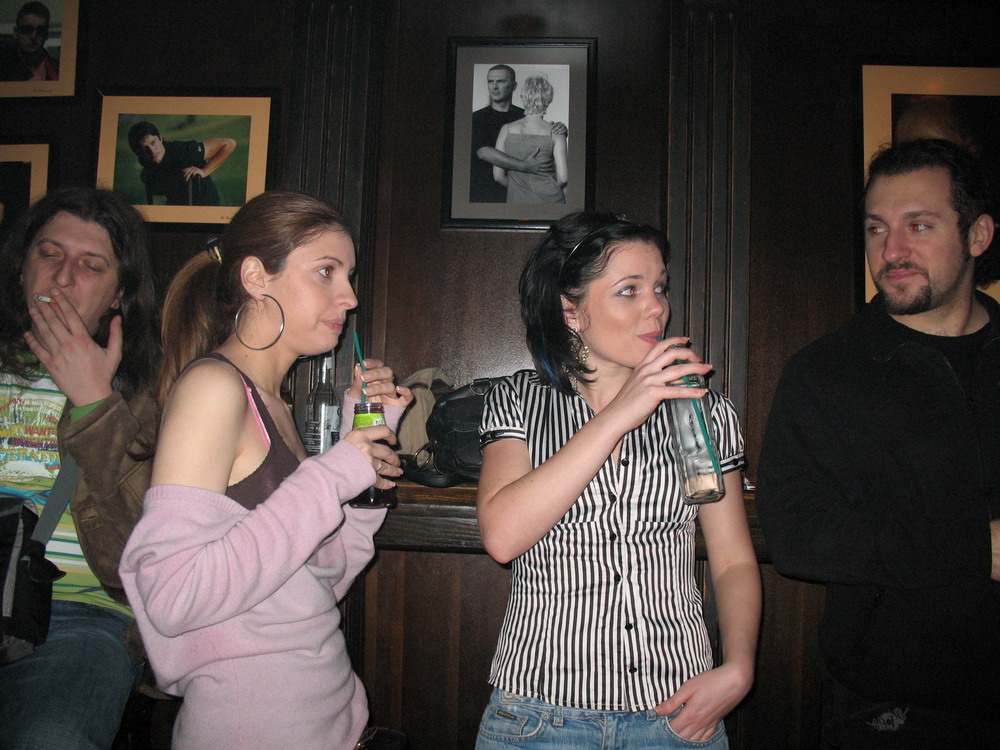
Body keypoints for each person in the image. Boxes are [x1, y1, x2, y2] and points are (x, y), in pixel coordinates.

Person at [120, 191, 413, 750]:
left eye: (349, 275)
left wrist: (364, 469)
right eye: (326, 271)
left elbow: (313, 584)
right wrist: (333, 474)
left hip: (324, 718)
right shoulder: (213, 388)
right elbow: (172, 598)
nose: (349, 297)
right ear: (256, 277)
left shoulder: (273, 404)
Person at [475, 212, 760, 748]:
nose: (657, 307)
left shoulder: (702, 411)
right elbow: (503, 536)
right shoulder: (518, 399)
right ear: (571, 310)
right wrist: (617, 415)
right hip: (540, 716)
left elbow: (733, 561)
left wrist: (740, 667)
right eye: (629, 290)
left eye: (660, 287)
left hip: (677, 713)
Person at [756, 138, 1000, 748]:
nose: (891, 251)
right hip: (894, 711)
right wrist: (975, 548)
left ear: (978, 235)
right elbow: (797, 536)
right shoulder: (825, 373)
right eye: (876, 229)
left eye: (919, 225)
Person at [0, 187, 161, 749]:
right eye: (49, 254)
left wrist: (95, 403)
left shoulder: (152, 393)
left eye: (91, 266)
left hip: (80, 616)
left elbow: (154, 545)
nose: (63, 277)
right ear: (22, 267)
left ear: (119, 295)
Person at [470, 64, 564, 203]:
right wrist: (523, 165)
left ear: (514, 86)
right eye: (490, 81)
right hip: (485, 193)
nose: (494, 87)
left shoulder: (525, 116)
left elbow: (545, 149)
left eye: (500, 81)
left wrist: (558, 129)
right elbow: (483, 152)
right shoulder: (476, 118)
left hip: (520, 195)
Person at [492, 74, 568, 204]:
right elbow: (563, 178)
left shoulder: (506, 129)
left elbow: (498, 176)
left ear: (522, 98)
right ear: (549, 99)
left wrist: (521, 190)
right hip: (551, 201)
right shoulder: (556, 132)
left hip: (517, 201)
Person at [126, 121, 236, 206]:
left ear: (160, 138)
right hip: (178, 204)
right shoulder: (145, 159)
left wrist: (204, 171)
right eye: (144, 148)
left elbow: (228, 144)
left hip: (205, 205)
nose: (151, 151)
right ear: (138, 152)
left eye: (153, 142)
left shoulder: (184, 151)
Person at [0, 2, 59, 82]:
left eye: (40, 30)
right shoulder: (3, 67)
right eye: (27, 29)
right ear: (16, 32)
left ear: (46, 34)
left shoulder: (57, 70)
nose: (33, 36)